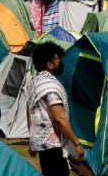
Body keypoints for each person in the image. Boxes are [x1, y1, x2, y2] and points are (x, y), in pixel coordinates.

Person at [27, 42, 84, 176]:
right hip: (53, 145)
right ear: (50, 64)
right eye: (59, 60)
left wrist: (33, 139)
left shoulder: (35, 82)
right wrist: (76, 143)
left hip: (42, 142)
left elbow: (30, 113)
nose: (61, 63)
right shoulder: (50, 87)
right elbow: (59, 118)